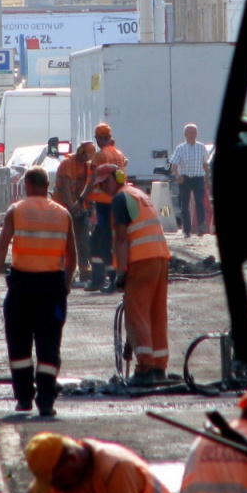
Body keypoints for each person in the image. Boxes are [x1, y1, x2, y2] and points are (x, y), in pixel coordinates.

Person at [0, 166, 76, 416]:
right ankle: (46, 401)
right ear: (47, 185)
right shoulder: (63, 214)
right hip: (52, 287)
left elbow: (1, 248)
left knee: (19, 344)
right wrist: (65, 284)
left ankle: (24, 399)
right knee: (49, 344)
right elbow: (73, 257)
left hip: (22, 287)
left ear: (27, 184)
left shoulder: (16, 211)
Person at [91, 164, 170, 386]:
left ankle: (145, 368)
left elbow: (122, 239)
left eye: (105, 182)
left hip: (141, 262)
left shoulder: (120, 199)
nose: (103, 188)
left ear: (117, 178)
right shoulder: (138, 194)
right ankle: (158, 366)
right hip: (160, 259)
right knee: (156, 314)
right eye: (100, 185)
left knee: (137, 315)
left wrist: (121, 272)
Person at [2, 432, 178, 493]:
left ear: (72, 459)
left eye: (57, 480)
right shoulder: (58, 472)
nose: (56, 487)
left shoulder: (115, 468)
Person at [75, 123, 127, 293]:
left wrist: (81, 199)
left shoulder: (100, 155)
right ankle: (97, 279)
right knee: (95, 241)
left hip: (104, 204)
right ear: (110, 137)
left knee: (104, 242)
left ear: (97, 139)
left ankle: (112, 279)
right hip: (115, 201)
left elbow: (93, 181)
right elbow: (124, 164)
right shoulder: (118, 153)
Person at [54, 141, 95, 285]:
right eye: (86, 157)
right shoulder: (67, 163)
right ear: (81, 152)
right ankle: (64, 275)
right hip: (63, 208)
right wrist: (71, 207)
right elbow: (65, 188)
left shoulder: (86, 166)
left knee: (83, 241)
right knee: (64, 242)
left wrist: (89, 206)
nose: (86, 160)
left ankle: (85, 272)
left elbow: (88, 188)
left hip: (78, 208)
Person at [169, 123, 209, 238]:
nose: (191, 135)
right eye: (189, 132)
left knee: (200, 202)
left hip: (198, 178)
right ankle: (187, 231)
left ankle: (201, 226)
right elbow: (174, 165)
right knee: (184, 205)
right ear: (185, 134)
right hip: (185, 179)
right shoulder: (180, 148)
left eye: (193, 132)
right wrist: (177, 175)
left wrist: (207, 180)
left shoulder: (201, 147)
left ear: (197, 134)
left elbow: (205, 164)